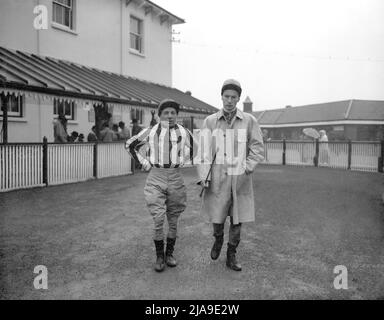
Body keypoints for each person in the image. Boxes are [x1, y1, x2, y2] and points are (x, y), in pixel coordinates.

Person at [197, 79, 264, 271]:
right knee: (217, 217)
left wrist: (248, 167)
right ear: (221, 97)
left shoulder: (249, 121)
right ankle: (218, 239)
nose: (229, 100)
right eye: (226, 96)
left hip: (239, 178)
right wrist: (204, 176)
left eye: (233, 97)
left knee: (237, 219)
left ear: (238, 99)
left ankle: (231, 254)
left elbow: (257, 147)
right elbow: (203, 152)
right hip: (218, 177)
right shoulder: (210, 121)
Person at [125, 99, 196, 272]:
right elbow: (130, 145)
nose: (170, 116)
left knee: (173, 219)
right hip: (155, 177)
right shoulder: (151, 131)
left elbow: (196, 148)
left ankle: (169, 254)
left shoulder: (183, 132)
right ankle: (159, 257)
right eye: (166, 113)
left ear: (177, 115)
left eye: (173, 113)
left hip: (175, 176)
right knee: (158, 218)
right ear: (160, 115)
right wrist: (143, 161)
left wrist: (182, 160)